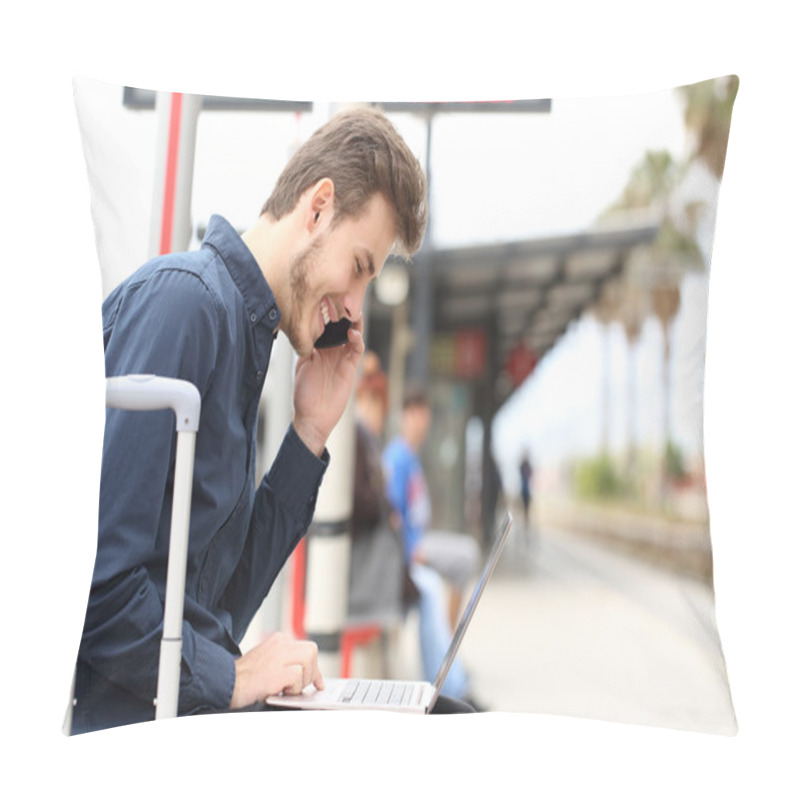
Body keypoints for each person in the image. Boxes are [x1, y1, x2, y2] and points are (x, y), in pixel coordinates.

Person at [73, 107, 429, 734]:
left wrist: (310, 435)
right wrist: (234, 677)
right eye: (359, 268)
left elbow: (217, 612)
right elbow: (96, 589)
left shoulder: (243, 340)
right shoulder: (186, 306)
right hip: (112, 750)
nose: (353, 306)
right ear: (318, 209)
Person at [382, 384, 482, 707]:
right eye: (417, 415)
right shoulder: (397, 458)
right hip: (409, 552)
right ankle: (450, 680)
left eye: (425, 415)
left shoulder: (412, 458)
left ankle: (447, 660)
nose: (422, 423)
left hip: (417, 544)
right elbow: (392, 515)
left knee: (463, 560)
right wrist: (412, 549)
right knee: (433, 584)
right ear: (404, 417)